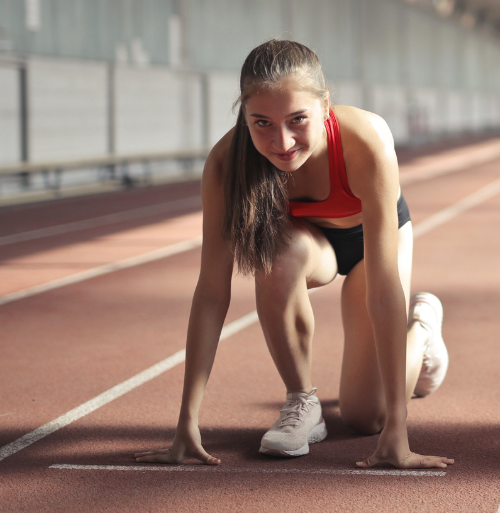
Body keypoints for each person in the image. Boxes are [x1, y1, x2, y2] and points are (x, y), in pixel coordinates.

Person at [135, 39, 453, 469]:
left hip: (372, 241)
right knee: (275, 255)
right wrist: (186, 423)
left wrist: (399, 430)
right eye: (261, 122)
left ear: (325, 106)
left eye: (297, 120)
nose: (281, 142)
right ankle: (302, 403)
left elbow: (382, 291)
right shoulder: (227, 164)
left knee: (366, 418)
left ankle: (423, 329)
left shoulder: (366, 141)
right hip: (307, 244)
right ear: (243, 114)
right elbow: (212, 293)